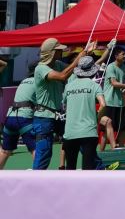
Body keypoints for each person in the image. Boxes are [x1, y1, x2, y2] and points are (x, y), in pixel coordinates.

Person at [29, 38, 86, 170]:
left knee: (77, 137)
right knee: (44, 153)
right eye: (59, 50)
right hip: (44, 117)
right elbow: (62, 76)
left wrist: (85, 53)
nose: (62, 52)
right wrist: (78, 58)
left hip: (56, 115)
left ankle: (97, 167)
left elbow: (74, 71)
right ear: (52, 52)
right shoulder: (40, 68)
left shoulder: (57, 64)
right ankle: (33, 185)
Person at [63, 55, 107, 170]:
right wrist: (98, 118)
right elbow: (103, 104)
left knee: (70, 168)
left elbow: (64, 104)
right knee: (88, 169)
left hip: (70, 132)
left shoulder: (68, 86)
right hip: (88, 131)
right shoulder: (94, 86)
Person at [0, 60, 39, 168]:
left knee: (5, 151)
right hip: (24, 118)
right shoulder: (39, 81)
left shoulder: (24, 81)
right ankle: (41, 181)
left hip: (10, 116)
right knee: (36, 150)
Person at [99, 46, 125, 150]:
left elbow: (120, 84)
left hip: (121, 103)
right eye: (123, 54)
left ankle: (120, 151)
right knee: (105, 131)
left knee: (122, 129)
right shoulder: (110, 67)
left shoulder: (124, 68)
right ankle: (101, 153)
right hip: (109, 102)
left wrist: (124, 90)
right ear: (116, 56)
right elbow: (114, 83)